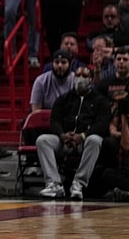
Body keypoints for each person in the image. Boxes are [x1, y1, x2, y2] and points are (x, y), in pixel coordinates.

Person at [35, 69, 110, 200]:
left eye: (85, 76)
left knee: (95, 140)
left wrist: (82, 136)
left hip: (84, 142)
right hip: (64, 141)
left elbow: (101, 125)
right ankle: (54, 184)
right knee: (43, 140)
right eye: (78, 75)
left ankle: (78, 183)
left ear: (91, 79)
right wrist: (62, 135)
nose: (80, 78)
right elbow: (55, 121)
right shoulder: (63, 99)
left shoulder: (101, 100)